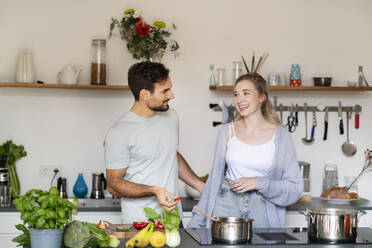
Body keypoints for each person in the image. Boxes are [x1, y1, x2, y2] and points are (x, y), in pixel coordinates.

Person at [188, 73, 303, 228]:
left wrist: (259, 183)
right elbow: (214, 180)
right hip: (225, 204)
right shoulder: (227, 131)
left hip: (263, 207)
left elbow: (295, 188)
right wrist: (195, 223)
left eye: (246, 93)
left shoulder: (282, 136)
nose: (239, 100)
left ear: (262, 97)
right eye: (236, 94)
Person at [104, 62, 204, 224]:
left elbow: (170, 155)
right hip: (140, 223)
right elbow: (114, 185)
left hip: (172, 219)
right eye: (165, 91)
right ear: (145, 94)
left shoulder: (171, 117)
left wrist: (201, 186)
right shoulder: (119, 132)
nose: (172, 95)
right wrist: (153, 190)